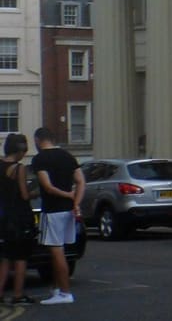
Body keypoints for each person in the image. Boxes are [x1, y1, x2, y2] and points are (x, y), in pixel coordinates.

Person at [31, 128, 83, 307]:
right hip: (68, 211)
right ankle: (55, 289)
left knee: (56, 251)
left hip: (52, 210)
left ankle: (65, 292)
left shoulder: (39, 159)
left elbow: (48, 187)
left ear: (38, 140)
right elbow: (81, 181)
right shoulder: (67, 156)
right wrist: (76, 202)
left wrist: (68, 196)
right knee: (59, 252)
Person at [0, 134, 35, 306]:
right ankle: (18, 294)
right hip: (18, 217)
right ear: (20, 150)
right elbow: (24, 194)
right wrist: (36, 191)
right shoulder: (19, 168)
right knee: (21, 257)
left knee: (6, 257)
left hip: (4, 217)